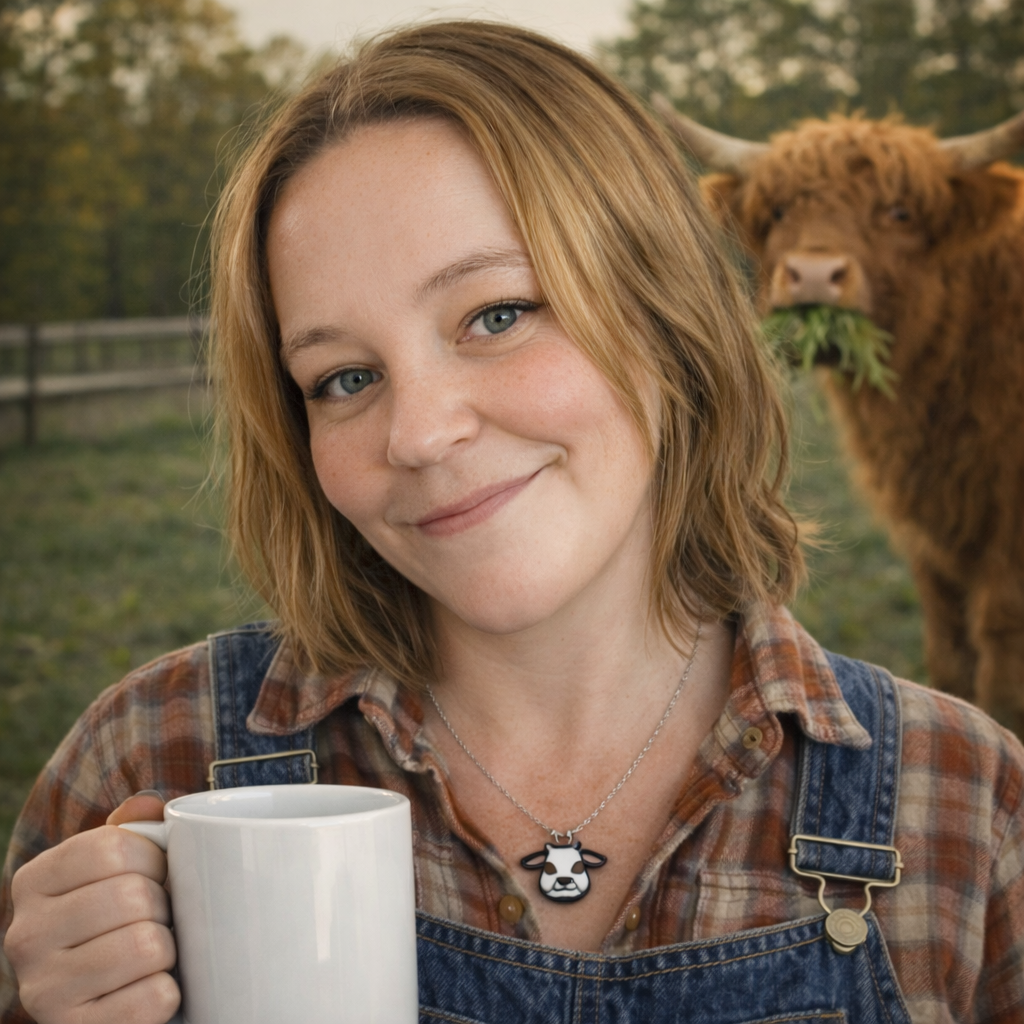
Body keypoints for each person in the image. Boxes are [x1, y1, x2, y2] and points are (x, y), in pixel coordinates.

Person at [2, 20, 1022, 1024]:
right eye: (343, 377)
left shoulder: (967, 806)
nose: (421, 432)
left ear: (662, 314)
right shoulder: (147, 758)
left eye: (496, 315)